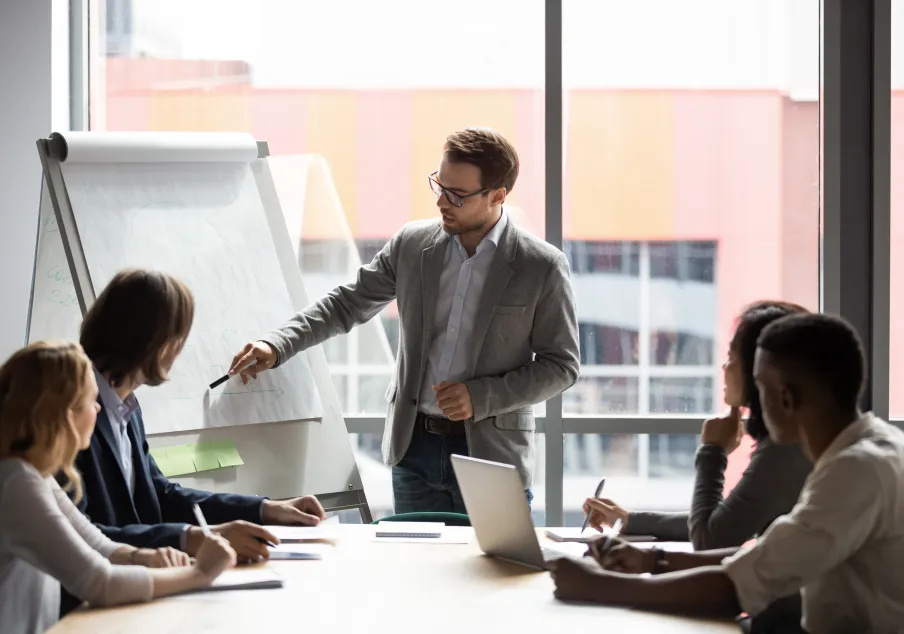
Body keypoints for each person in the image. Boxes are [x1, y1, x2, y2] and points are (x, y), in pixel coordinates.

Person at [228, 127, 580, 513]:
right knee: (414, 567)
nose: (442, 202)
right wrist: (278, 344)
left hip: (491, 455)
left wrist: (480, 397)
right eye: (439, 187)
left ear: (497, 195)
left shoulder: (541, 266)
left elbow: (561, 366)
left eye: (457, 195)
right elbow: (346, 304)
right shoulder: (412, 245)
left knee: (495, 569)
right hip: (413, 449)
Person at [551, 313, 904, 634]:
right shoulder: (871, 447)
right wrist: (651, 560)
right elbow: (765, 553)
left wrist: (596, 586)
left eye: (759, 388)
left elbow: (736, 589)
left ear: (785, 399)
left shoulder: (855, 472)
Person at [62, 268, 326, 563]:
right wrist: (198, 538)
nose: (179, 349)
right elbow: (81, 536)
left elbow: (161, 495)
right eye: (178, 337)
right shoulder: (71, 413)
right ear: (153, 341)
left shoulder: (126, 408)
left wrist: (266, 509)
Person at [0, 341, 236, 634]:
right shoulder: (16, 483)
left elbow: (98, 545)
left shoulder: (33, 475)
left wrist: (144, 557)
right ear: (63, 413)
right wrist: (200, 573)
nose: (98, 408)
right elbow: (100, 583)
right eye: (91, 400)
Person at [583, 301, 812, 550]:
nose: (725, 367)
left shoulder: (784, 450)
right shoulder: (792, 438)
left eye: (731, 357)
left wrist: (713, 452)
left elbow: (708, 539)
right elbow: (724, 523)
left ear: (762, 368)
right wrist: (629, 520)